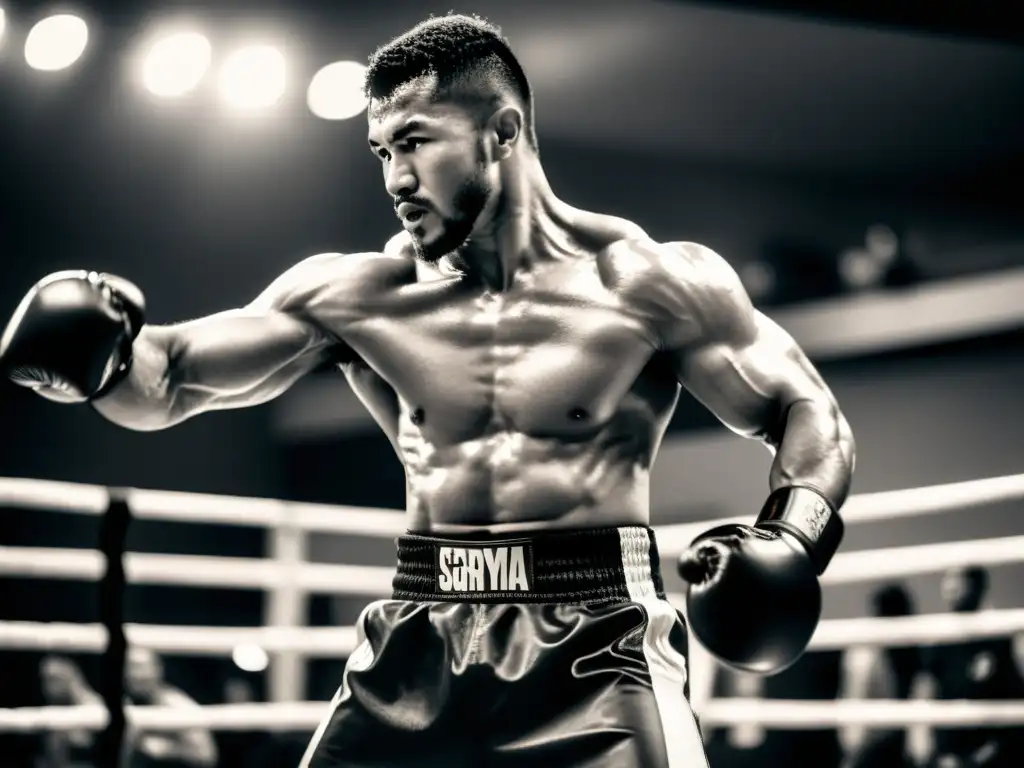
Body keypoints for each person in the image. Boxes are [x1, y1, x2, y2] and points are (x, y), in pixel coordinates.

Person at [0, 13, 856, 767]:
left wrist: (793, 537)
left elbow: (806, 409)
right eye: (381, 151)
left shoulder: (645, 283)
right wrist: (101, 359)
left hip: (597, 648)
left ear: (502, 131)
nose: (394, 179)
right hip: (418, 641)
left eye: (414, 142)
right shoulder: (358, 296)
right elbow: (175, 377)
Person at [913, 567, 1024, 768]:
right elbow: (924, 689)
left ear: (978, 586)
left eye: (959, 579)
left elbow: (1014, 706)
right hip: (943, 757)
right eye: (947, 579)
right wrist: (921, 744)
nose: (951, 587)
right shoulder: (939, 641)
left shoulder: (1001, 639)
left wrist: (976, 759)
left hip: (992, 757)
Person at [839, 584, 920, 768]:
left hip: (885, 743)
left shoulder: (906, 656)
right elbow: (853, 694)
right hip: (867, 742)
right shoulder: (864, 653)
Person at [120, 648, 217, 768]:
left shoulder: (177, 705)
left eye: (142, 667)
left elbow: (206, 755)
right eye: (130, 667)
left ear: (158, 669)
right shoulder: (123, 703)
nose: (136, 674)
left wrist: (169, 750)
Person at [37, 656, 102, 768]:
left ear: (69, 677)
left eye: (53, 679)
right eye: (44, 680)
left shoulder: (91, 706)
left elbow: (82, 742)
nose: (47, 687)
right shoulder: (58, 704)